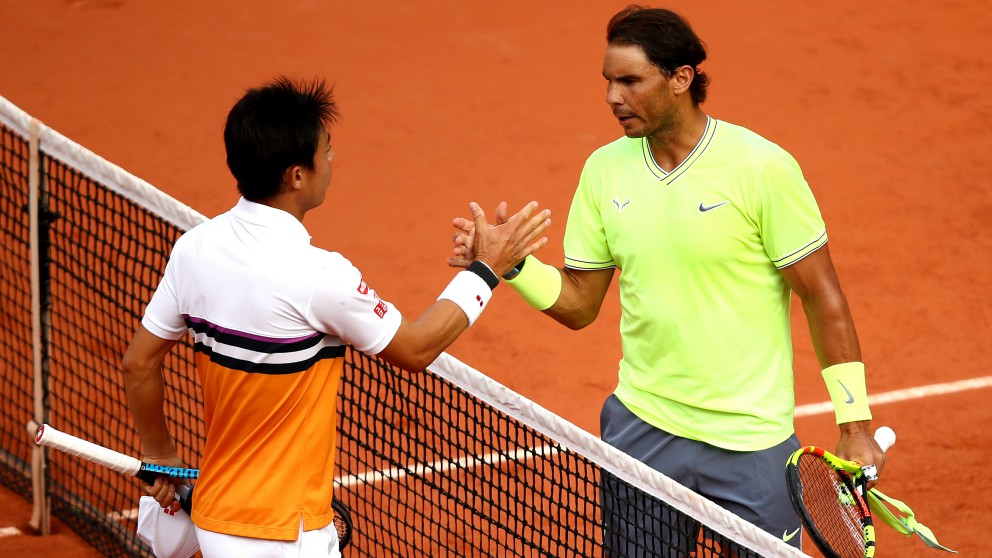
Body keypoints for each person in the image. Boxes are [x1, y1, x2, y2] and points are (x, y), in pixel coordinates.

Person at [449, 6, 887, 555]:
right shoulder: (603, 171)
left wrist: (855, 421)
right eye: (608, 81)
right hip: (642, 429)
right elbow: (582, 304)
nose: (613, 97)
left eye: (630, 81)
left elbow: (822, 296)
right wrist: (511, 265)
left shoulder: (761, 168)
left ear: (681, 78)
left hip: (750, 443)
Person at [122, 75, 551, 558]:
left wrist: (159, 455)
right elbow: (416, 348)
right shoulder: (319, 276)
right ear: (296, 175)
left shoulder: (193, 249)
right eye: (326, 150)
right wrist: (486, 271)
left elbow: (140, 363)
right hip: (286, 535)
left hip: (216, 518)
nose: (332, 161)